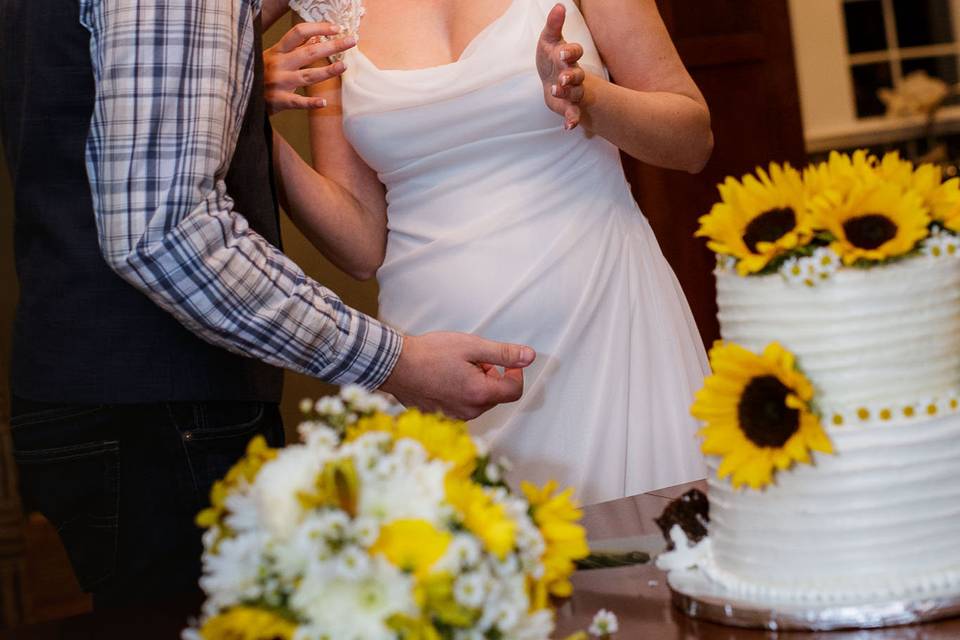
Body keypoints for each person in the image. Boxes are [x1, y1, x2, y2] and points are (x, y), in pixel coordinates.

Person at [0, 0, 534, 612]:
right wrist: (390, 361)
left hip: (103, 393)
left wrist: (240, 89)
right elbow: (164, 232)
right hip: (162, 414)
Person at [266, 0, 714, 505]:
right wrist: (251, 124)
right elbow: (361, 244)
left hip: (606, 333)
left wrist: (587, 96)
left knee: (638, 568)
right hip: (428, 364)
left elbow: (691, 140)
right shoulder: (333, 8)